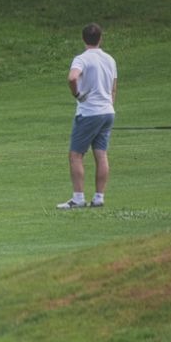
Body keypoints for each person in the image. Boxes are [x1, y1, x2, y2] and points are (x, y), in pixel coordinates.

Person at [59, 23, 117, 208]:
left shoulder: (81, 59)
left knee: (75, 155)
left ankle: (77, 199)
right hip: (107, 111)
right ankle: (99, 197)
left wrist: (76, 94)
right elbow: (113, 89)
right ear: (100, 39)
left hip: (88, 112)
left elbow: (72, 77)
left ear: (83, 39)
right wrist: (106, 108)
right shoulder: (110, 60)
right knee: (101, 155)